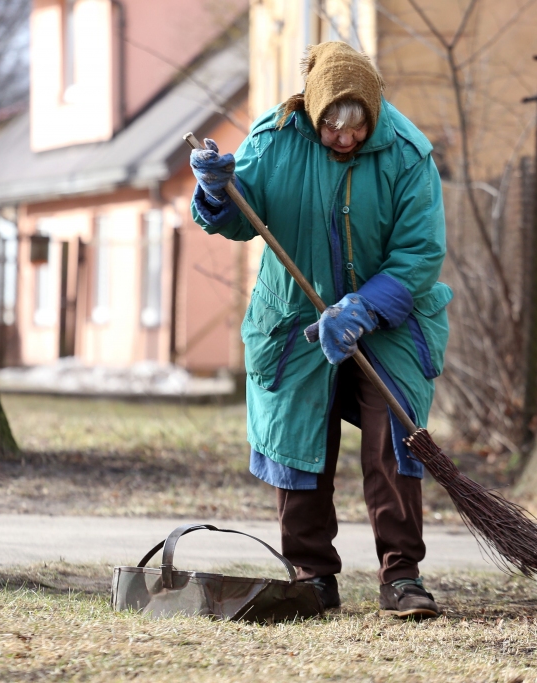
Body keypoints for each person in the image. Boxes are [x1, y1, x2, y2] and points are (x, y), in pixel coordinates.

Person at [190, 41, 450, 619]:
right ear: (314, 110)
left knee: (395, 440)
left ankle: (402, 577)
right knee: (301, 441)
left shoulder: (407, 154)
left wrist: (364, 307)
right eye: (332, 126)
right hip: (295, 321)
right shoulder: (276, 139)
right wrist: (215, 190)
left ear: (375, 115)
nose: (344, 139)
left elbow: (421, 252)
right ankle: (311, 576)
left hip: (391, 319)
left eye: (357, 129)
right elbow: (239, 216)